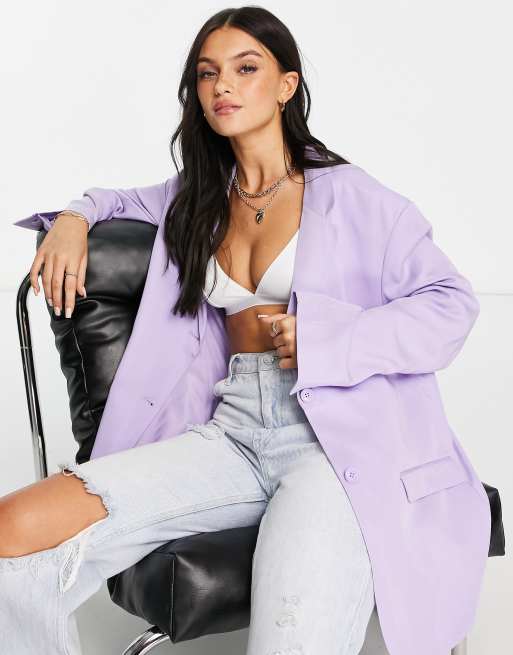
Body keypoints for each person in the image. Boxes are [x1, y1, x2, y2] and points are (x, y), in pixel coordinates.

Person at [3, 6, 489, 655]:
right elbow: (114, 200)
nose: (222, 86)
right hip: (230, 431)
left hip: (334, 443)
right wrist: (72, 218)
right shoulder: (197, 196)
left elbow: (451, 305)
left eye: (245, 68)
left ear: (286, 85)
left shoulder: (354, 196)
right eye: (208, 74)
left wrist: (330, 338)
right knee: (13, 532)